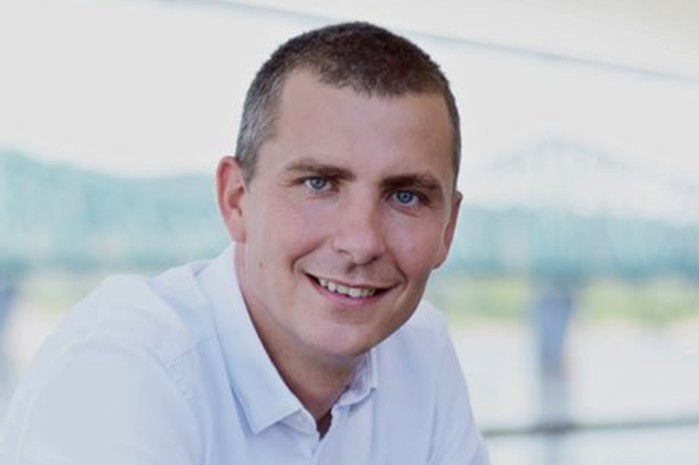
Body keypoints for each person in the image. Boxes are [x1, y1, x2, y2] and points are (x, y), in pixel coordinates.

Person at [0, 22, 488, 464]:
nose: (361, 243)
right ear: (236, 200)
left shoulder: (421, 348)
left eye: (406, 196)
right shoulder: (120, 373)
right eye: (318, 184)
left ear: (448, 229)